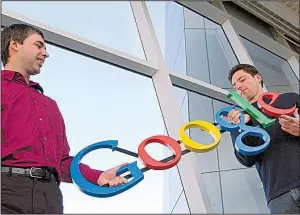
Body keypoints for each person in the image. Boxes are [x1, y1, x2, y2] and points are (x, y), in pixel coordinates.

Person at [1, 24, 128, 214]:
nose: (45, 53)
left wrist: (98, 175)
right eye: (39, 45)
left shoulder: (49, 105)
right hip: (8, 191)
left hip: (51, 196)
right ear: (15, 45)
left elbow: (61, 161)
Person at [227, 64, 300, 214]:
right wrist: (241, 125)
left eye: (242, 80)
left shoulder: (290, 98)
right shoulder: (238, 118)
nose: (239, 87)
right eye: (235, 86)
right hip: (279, 197)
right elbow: (246, 160)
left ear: (258, 78)